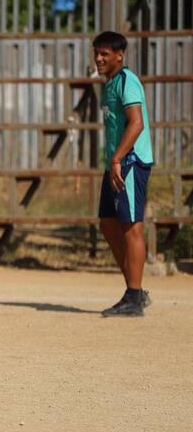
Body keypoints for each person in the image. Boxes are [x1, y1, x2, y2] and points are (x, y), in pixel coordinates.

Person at [93, 31, 153, 317]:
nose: (99, 58)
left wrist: (117, 157)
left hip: (129, 161)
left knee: (132, 227)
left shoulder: (128, 81)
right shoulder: (109, 83)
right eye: (97, 52)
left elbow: (137, 123)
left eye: (105, 53)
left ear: (120, 55)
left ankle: (134, 295)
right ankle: (135, 289)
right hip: (115, 163)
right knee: (107, 223)